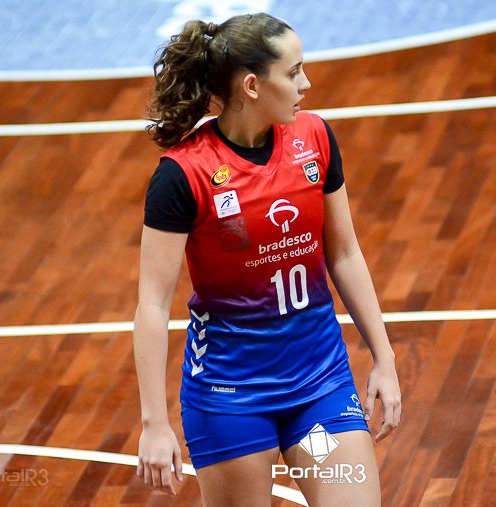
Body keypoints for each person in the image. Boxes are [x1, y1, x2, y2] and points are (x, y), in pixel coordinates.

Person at [132, 13, 401, 506]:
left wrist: (384, 357)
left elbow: (344, 252)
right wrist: (154, 423)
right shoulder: (183, 175)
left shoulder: (314, 139)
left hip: (319, 390)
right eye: (293, 72)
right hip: (231, 403)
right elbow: (152, 304)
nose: (307, 83)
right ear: (253, 86)